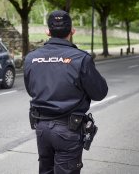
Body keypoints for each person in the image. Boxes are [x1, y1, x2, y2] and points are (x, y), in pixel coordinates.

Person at [23, 10, 108, 174]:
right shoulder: (81, 58)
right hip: (68, 130)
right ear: (72, 31)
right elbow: (100, 92)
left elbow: (31, 89)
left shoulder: (31, 58)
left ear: (48, 31)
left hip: (41, 128)